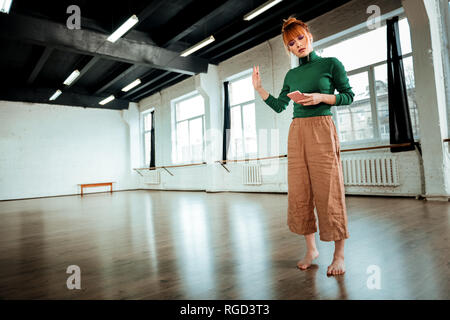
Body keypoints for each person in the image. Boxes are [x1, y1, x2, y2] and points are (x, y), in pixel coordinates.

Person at [252, 16, 354, 276]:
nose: (297, 44)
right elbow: (279, 105)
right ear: (288, 48)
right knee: (300, 190)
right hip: (297, 131)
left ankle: (339, 255)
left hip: (322, 128)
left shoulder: (331, 64)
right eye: (291, 43)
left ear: (309, 36)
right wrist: (260, 88)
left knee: (329, 190)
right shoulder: (292, 74)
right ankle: (311, 249)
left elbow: (348, 96)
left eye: (300, 38)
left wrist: (322, 97)